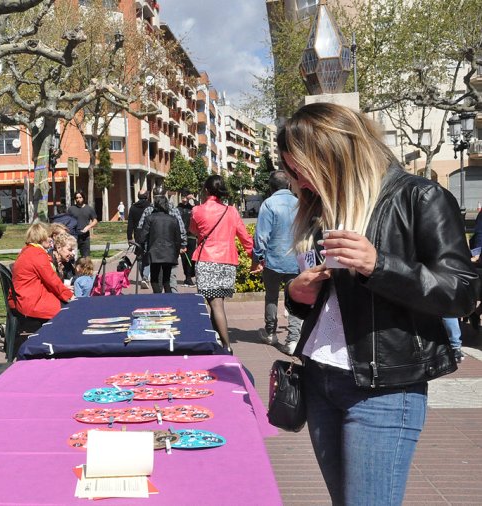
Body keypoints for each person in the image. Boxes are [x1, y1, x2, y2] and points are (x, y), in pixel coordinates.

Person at [281, 103, 479, 505]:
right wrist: (296, 295)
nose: (296, 181)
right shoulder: (323, 205)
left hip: (384, 388)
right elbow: (335, 303)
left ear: (333, 155)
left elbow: (461, 292)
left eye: (300, 169)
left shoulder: (419, 196)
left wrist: (380, 265)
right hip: (321, 378)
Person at [190, 175, 252, 353]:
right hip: (227, 262)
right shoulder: (231, 211)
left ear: (207, 190)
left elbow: (194, 230)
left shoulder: (197, 210)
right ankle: (214, 339)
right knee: (217, 301)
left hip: (207, 260)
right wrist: (255, 258)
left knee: (215, 304)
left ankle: (227, 346)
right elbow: (245, 237)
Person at [249, 170, 302, 355]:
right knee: (295, 298)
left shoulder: (268, 204)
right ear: (289, 185)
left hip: (273, 260)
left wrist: (257, 260)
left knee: (271, 297)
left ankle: (271, 333)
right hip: (296, 260)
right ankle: (294, 339)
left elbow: (261, 236)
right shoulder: (299, 203)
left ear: (271, 187)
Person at [9, 223, 73, 353]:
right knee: (69, 309)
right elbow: (52, 280)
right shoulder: (37, 254)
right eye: (48, 237)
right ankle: (64, 345)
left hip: (25, 297)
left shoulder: (27, 251)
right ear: (41, 238)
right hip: (31, 301)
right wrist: (70, 296)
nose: (51, 239)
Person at [137, 186, 187, 292]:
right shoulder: (173, 212)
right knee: (168, 277)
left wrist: (141, 246)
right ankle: (170, 295)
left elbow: (141, 230)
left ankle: (160, 297)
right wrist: (181, 245)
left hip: (154, 248)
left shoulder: (149, 212)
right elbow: (180, 231)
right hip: (169, 249)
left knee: (157, 278)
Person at [127, 190, 152, 288]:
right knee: (149, 256)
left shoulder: (133, 207)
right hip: (149, 234)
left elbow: (130, 224)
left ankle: (143, 276)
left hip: (138, 235)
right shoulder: (150, 206)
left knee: (140, 257)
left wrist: (129, 237)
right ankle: (146, 277)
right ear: (147, 196)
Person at [68, 191, 98, 257]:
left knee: (86, 258)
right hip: (74, 236)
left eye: (80, 197)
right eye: (76, 198)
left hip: (85, 237)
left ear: (83, 198)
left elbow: (95, 221)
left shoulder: (89, 209)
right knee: (72, 257)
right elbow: (67, 220)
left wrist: (88, 226)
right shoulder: (71, 209)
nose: (78, 199)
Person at [176, 193, 197, 286]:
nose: (184, 199)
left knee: (191, 257)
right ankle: (187, 277)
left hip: (191, 236)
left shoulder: (192, 208)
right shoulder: (177, 209)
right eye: (183, 197)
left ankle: (190, 276)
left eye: (186, 197)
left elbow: (200, 208)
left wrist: (193, 198)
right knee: (184, 258)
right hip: (180, 237)